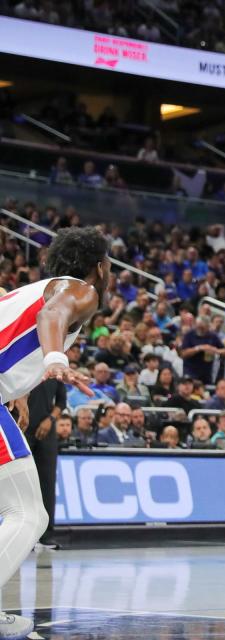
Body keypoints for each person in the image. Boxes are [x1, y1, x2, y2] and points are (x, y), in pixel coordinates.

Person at [0, 227, 108, 639]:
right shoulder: (81, 290)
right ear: (100, 267)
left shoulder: (27, 290)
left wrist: (20, 388)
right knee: (29, 513)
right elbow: (52, 316)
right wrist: (55, 358)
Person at [25, 379, 65, 548]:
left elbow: (61, 402)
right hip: (20, 425)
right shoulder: (24, 363)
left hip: (46, 429)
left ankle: (46, 534)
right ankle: (21, 535)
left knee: (47, 482)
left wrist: (50, 419)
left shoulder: (54, 368)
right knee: (21, 483)